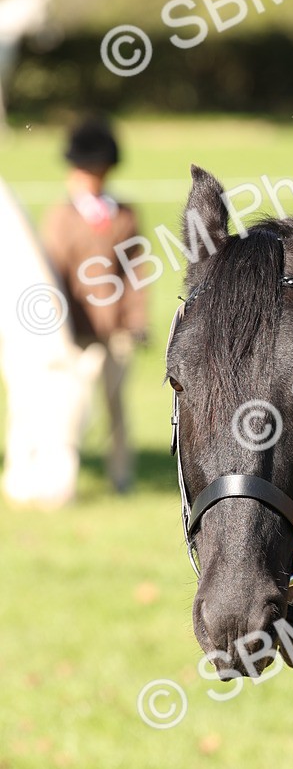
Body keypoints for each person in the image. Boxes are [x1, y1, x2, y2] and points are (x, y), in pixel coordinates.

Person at [41, 116, 148, 492]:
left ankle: (122, 476)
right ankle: (63, 476)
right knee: (72, 407)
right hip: (76, 331)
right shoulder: (60, 219)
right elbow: (52, 277)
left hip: (115, 328)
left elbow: (135, 271)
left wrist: (137, 320)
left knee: (118, 408)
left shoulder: (124, 214)